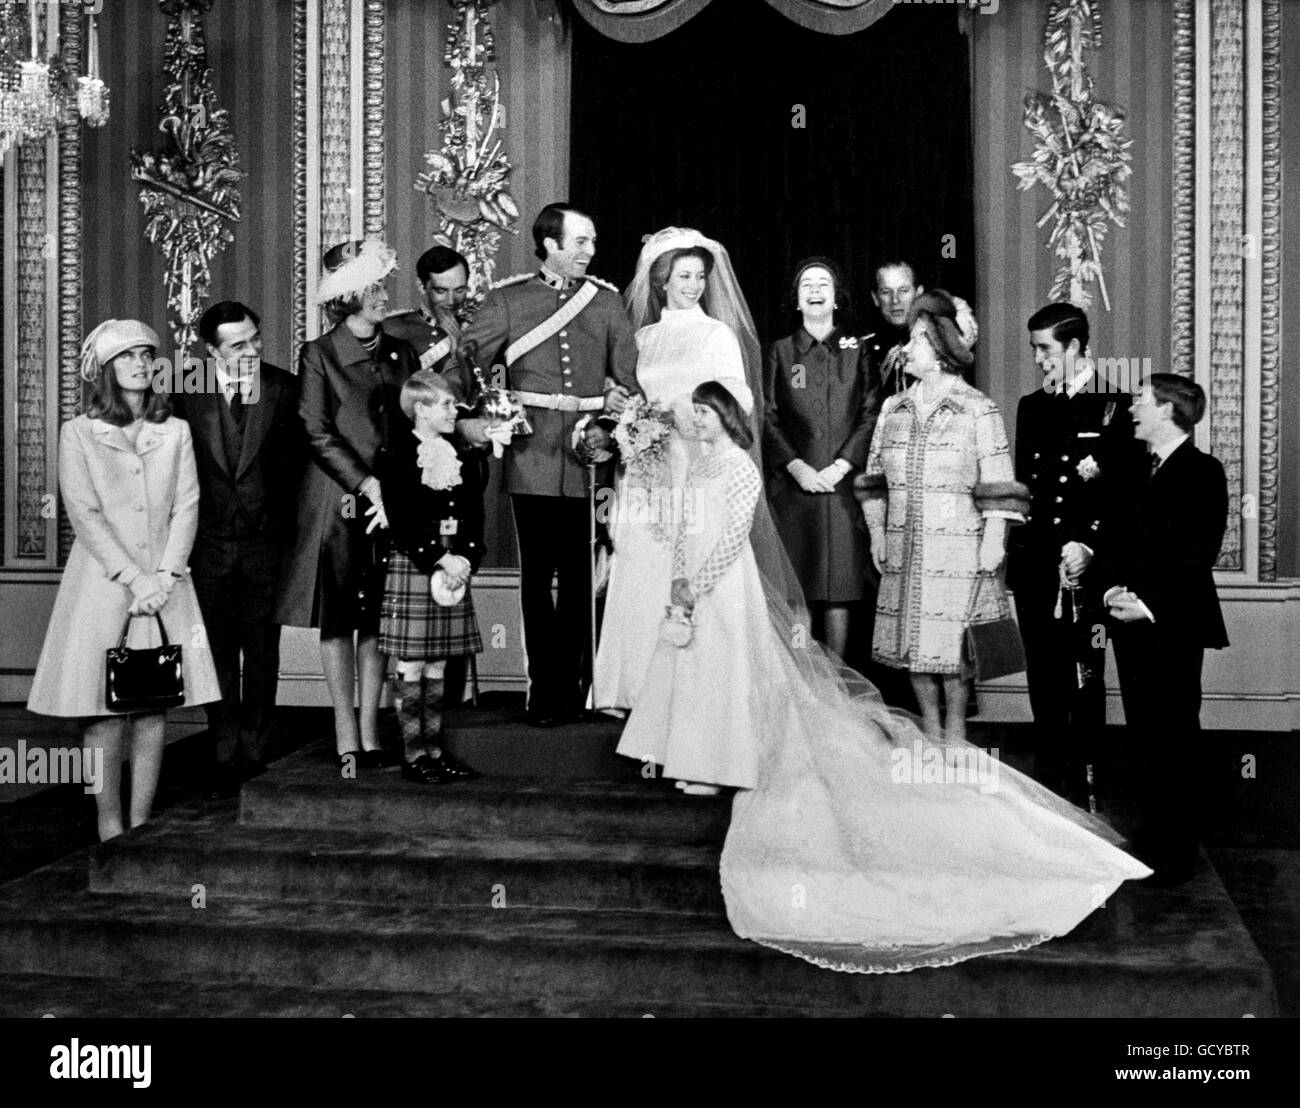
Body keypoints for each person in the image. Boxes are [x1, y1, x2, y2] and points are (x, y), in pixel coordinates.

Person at [619, 380, 1150, 972]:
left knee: (732, 677)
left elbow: (735, 532)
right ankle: (697, 762)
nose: (695, 421)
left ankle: (736, 763)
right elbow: (679, 527)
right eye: (690, 413)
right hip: (694, 585)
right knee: (696, 677)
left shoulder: (740, 467)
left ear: (724, 417)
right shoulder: (694, 468)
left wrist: (700, 577)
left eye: (703, 412)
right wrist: (669, 551)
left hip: (728, 586)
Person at [446, 202, 640, 727]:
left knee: (581, 577)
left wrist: (609, 425)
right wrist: (463, 419)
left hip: (588, 456)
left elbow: (628, 379)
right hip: (529, 454)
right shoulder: (509, 300)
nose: (590, 252)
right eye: (580, 242)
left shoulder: (605, 302)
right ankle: (543, 690)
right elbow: (465, 362)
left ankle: (572, 689)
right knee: (537, 578)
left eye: (592, 242)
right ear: (550, 244)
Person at [27, 320, 221, 840]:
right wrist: (136, 578)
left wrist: (164, 574)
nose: (139, 364)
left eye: (146, 355)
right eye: (127, 357)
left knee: (154, 700)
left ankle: (141, 821)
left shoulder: (175, 429)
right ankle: (108, 823)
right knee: (102, 709)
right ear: (107, 370)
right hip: (103, 583)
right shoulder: (80, 433)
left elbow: (188, 506)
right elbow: (84, 513)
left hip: (166, 581)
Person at [593, 228, 759, 711]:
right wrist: (630, 412)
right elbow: (626, 391)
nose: (693, 285)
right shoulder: (642, 336)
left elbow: (738, 398)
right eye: (683, 275)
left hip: (696, 464)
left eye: (700, 276)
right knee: (640, 560)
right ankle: (629, 687)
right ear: (662, 280)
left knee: (683, 562)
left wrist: (682, 412)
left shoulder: (717, 334)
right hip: (646, 468)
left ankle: (686, 688)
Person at [856, 290, 1026, 745]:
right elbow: (872, 480)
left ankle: (955, 733)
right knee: (912, 649)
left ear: (940, 349)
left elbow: (1000, 487)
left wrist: (993, 543)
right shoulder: (894, 408)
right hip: (905, 546)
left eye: (916, 341)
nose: (906, 349)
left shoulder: (977, 409)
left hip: (960, 549)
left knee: (952, 652)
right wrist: (876, 532)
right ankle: (929, 729)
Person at [276, 239, 420, 768]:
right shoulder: (318, 353)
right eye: (374, 287)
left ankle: (369, 723)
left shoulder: (402, 350)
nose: (384, 295)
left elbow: (412, 422)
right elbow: (315, 430)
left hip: (392, 499)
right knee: (339, 616)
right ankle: (342, 726)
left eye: (382, 284)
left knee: (381, 615)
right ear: (348, 297)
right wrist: (365, 483)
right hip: (338, 501)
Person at [1095, 374, 1229, 885]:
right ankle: (1152, 839)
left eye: (1141, 402)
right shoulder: (1134, 471)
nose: (1131, 409)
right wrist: (1111, 594)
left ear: (1168, 411)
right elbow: (1113, 543)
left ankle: (1177, 851)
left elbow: (1196, 554)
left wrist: (1146, 603)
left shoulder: (1203, 472)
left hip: (1171, 624)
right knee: (1144, 734)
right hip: (1127, 621)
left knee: (1175, 732)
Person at [170, 301, 304, 799]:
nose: (252, 350)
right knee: (216, 650)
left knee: (262, 649)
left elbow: (297, 468)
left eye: (255, 338)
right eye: (237, 344)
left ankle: (257, 746)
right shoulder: (186, 388)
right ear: (211, 351)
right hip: (204, 544)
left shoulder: (284, 387)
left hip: (266, 543)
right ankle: (223, 742)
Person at [1008, 303, 1141, 805]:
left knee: (1085, 676)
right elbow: (1027, 491)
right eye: (1034, 348)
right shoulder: (1032, 407)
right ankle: (1050, 790)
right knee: (1043, 678)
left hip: (1089, 568)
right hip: (1038, 566)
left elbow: (1126, 494)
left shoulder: (1118, 405)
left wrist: (1089, 544)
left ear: (1076, 348)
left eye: (1046, 349)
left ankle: (1088, 791)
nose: (1038, 359)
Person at [763, 257, 877, 661]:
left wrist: (841, 466)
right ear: (795, 299)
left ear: (836, 296)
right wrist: (797, 467)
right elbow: (768, 416)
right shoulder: (780, 352)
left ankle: (838, 682)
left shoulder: (857, 350)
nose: (815, 291)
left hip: (843, 489)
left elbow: (870, 413)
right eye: (806, 285)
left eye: (823, 284)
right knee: (799, 589)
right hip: (795, 491)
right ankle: (802, 674)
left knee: (840, 591)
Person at [374, 370, 484, 785]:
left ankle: (436, 752)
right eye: (446, 405)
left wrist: (466, 558)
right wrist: (439, 557)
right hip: (419, 561)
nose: (455, 411)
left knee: (438, 661)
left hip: (455, 561)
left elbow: (475, 514)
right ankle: (413, 754)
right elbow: (401, 521)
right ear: (420, 409)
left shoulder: (460, 452)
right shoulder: (397, 454)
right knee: (413, 662)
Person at [383, 242, 471, 373]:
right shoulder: (393, 329)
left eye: (459, 290)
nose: (451, 300)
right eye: (441, 291)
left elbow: (494, 386)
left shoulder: (475, 329)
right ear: (420, 285)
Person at [862, 259, 923, 399]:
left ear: (918, 294)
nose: (895, 300)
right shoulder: (863, 349)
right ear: (875, 298)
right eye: (886, 291)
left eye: (903, 291)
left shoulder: (937, 347)